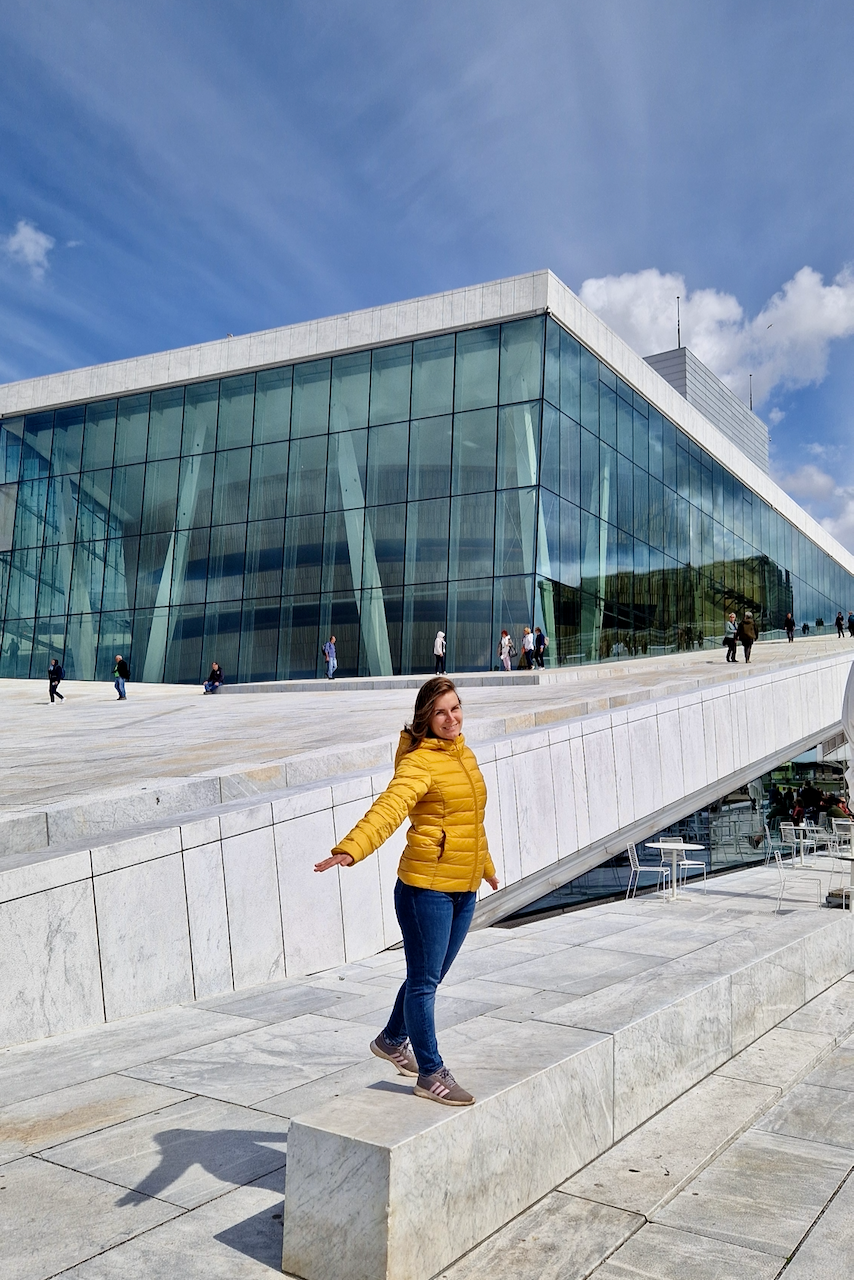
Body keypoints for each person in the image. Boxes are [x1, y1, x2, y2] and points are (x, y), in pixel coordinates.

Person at [314, 677, 499, 1106]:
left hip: (463, 886)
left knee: (429, 978)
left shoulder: (464, 754)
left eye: (455, 708)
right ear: (425, 719)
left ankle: (393, 1039)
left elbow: (471, 821)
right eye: (441, 712)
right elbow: (390, 808)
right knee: (424, 982)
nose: (451, 718)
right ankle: (430, 1072)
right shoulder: (419, 763)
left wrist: (485, 867)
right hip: (425, 891)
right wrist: (351, 848)